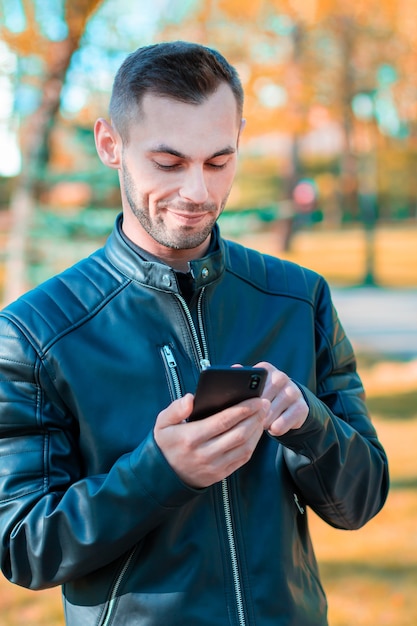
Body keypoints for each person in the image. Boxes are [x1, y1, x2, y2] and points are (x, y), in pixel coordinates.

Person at [0, 41, 388, 626]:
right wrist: (160, 472)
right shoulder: (35, 333)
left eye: (218, 160)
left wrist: (310, 425)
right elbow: (23, 546)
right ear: (112, 145)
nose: (199, 193)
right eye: (169, 162)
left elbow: (362, 498)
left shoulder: (298, 298)